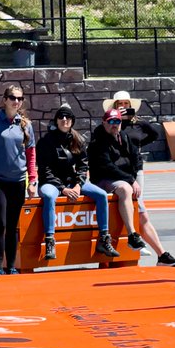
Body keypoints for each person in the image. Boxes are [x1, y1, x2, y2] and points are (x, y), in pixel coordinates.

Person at [89, 107, 175, 267]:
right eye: (111, 121)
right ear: (104, 122)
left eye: (117, 121)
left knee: (143, 216)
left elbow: (136, 156)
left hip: (127, 179)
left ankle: (162, 255)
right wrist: (131, 180)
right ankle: (132, 235)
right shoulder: (98, 141)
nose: (114, 125)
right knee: (125, 190)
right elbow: (107, 167)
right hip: (106, 180)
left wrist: (135, 173)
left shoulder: (123, 136)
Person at [36, 103, 119, 261]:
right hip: (51, 182)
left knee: (101, 195)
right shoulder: (46, 141)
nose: (64, 119)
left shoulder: (77, 139)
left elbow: (83, 166)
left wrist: (77, 185)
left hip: (72, 181)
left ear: (72, 121)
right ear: (56, 120)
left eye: (68, 117)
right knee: (48, 196)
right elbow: (45, 170)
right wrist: (62, 189)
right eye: (61, 117)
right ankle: (50, 241)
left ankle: (104, 239)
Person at [103, 89, 171, 261]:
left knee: (139, 204)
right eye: (120, 104)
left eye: (127, 104)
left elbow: (154, 133)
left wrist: (139, 145)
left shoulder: (138, 124)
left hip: (136, 168)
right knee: (125, 204)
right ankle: (132, 239)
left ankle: (139, 241)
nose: (124, 107)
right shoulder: (114, 123)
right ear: (115, 106)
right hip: (118, 169)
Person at [0, 83, 36, 275]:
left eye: (20, 98)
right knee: (0, 224)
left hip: (18, 181)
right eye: (13, 98)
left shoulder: (26, 125)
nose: (16, 102)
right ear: (5, 100)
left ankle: (11, 266)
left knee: (13, 225)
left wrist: (32, 180)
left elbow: (30, 154)